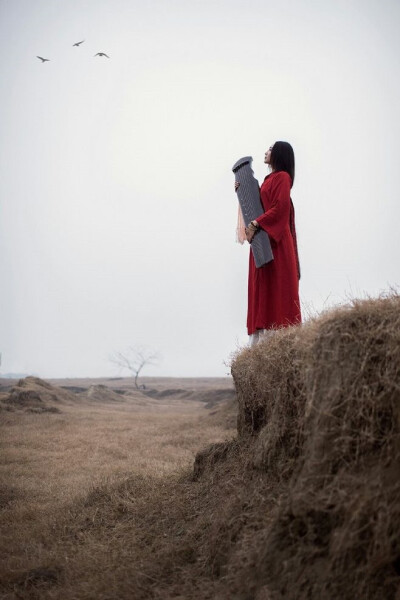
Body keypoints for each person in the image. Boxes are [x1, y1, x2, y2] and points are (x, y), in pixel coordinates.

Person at [235, 141, 301, 345]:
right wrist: (242, 191)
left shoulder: (282, 177)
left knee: (276, 290)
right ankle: (260, 340)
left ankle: (277, 340)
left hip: (276, 243)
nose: (265, 151)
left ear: (279, 154)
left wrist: (257, 223)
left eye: (270, 149)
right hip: (263, 242)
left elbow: (280, 209)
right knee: (262, 289)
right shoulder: (269, 179)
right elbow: (259, 205)